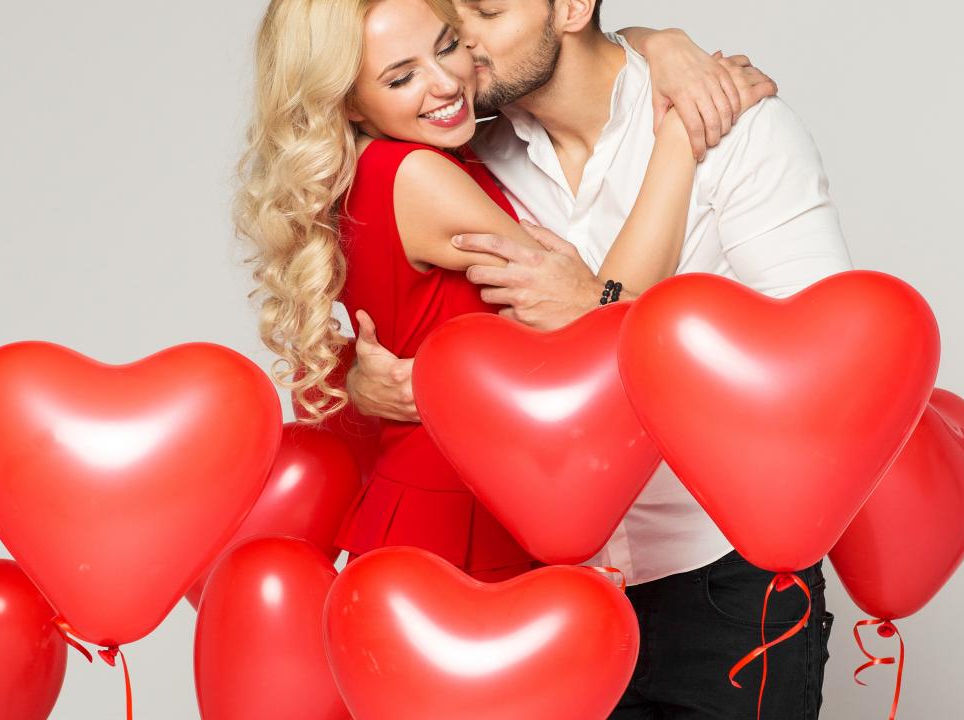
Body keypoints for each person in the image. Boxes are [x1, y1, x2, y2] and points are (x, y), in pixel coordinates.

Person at [345, 1, 852, 717]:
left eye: (485, 13)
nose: (463, 49)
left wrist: (599, 307)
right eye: (453, 24)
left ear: (573, 6)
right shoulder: (471, 152)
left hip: (723, 576)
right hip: (551, 594)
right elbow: (402, 303)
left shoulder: (735, 127)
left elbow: (822, 373)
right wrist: (362, 380)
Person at [233, 0, 774, 583]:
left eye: (446, 47)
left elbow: (573, 44)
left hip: (466, 492)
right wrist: (679, 135)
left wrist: (661, 42)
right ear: (348, 102)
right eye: (401, 77)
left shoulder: (393, 162)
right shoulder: (417, 177)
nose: (446, 84)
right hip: (458, 512)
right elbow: (599, 318)